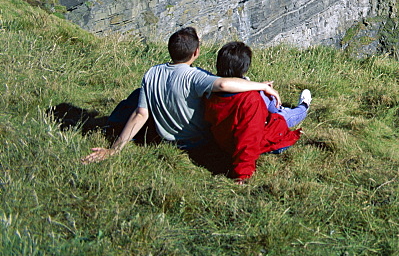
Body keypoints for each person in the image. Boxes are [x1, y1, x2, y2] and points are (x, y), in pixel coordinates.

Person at [82, 27, 282, 164]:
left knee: (137, 97)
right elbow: (222, 83)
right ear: (196, 52)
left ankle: (111, 125)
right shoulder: (195, 76)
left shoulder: (151, 73)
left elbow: (140, 115)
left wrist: (114, 150)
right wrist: (262, 86)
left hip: (165, 140)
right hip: (197, 142)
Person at [203, 41, 311, 181]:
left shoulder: (211, 88)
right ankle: (304, 106)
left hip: (224, 139)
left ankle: (277, 106)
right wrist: (243, 173)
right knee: (287, 117)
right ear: (245, 68)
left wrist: (261, 86)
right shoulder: (250, 100)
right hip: (251, 139)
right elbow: (249, 137)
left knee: (266, 96)